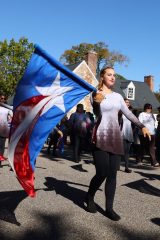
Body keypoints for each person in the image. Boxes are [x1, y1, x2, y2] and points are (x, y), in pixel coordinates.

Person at [84, 66, 151, 221]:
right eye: (109, 74)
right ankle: (90, 196)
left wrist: (142, 126)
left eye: (114, 75)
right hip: (100, 136)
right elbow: (96, 112)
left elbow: (128, 114)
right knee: (102, 172)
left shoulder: (118, 96)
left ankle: (109, 209)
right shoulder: (96, 93)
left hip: (115, 138)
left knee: (113, 174)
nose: (113, 77)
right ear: (102, 76)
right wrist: (95, 102)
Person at [120, 98, 134, 173]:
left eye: (128, 102)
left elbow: (133, 122)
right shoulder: (120, 111)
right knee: (120, 150)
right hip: (121, 132)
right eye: (126, 102)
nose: (127, 103)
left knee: (127, 151)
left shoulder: (130, 112)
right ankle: (116, 165)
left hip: (129, 132)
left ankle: (126, 167)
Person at [0, 94, 13, 167]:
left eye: (4, 99)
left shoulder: (8, 109)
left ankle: (0, 160)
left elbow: (12, 117)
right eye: (1, 98)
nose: (2, 100)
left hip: (3, 130)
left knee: (1, 146)